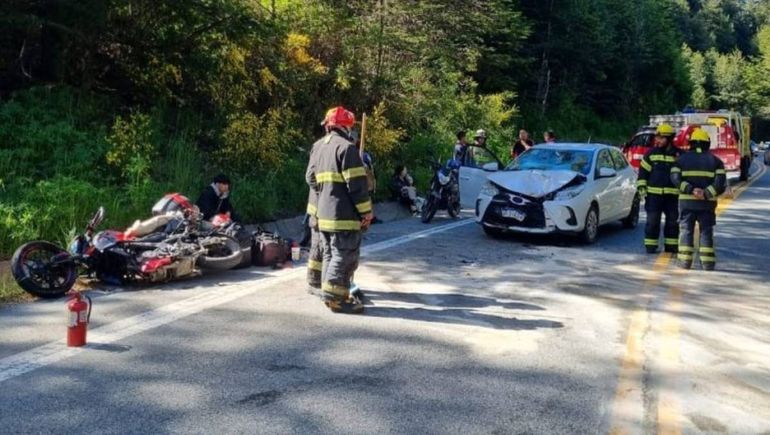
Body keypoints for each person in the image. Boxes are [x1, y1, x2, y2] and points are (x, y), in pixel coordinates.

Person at [306, 106, 372, 314]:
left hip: (323, 214)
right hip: (343, 216)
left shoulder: (318, 146)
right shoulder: (347, 148)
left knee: (328, 255)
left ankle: (330, 293)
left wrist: (325, 193)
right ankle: (336, 300)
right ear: (345, 127)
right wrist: (366, 213)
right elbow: (357, 186)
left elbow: (310, 178)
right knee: (344, 255)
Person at [670, 128, 726, 270]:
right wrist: (706, 193)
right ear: (707, 143)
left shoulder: (680, 160)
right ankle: (707, 263)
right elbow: (720, 184)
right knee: (706, 231)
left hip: (687, 203)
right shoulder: (716, 161)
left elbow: (675, 179)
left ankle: (684, 262)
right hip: (707, 204)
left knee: (686, 230)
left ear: (692, 143)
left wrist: (691, 190)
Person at [636, 123, 682, 254]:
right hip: (653, 196)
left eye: (661, 138)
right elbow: (643, 174)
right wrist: (642, 190)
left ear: (669, 139)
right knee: (652, 222)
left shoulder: (678, 155)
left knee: (672, 223)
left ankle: (671, 246)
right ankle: (650, 246)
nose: (658, 140)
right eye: (657, 137)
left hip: (672, 196)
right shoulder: (650, 154)